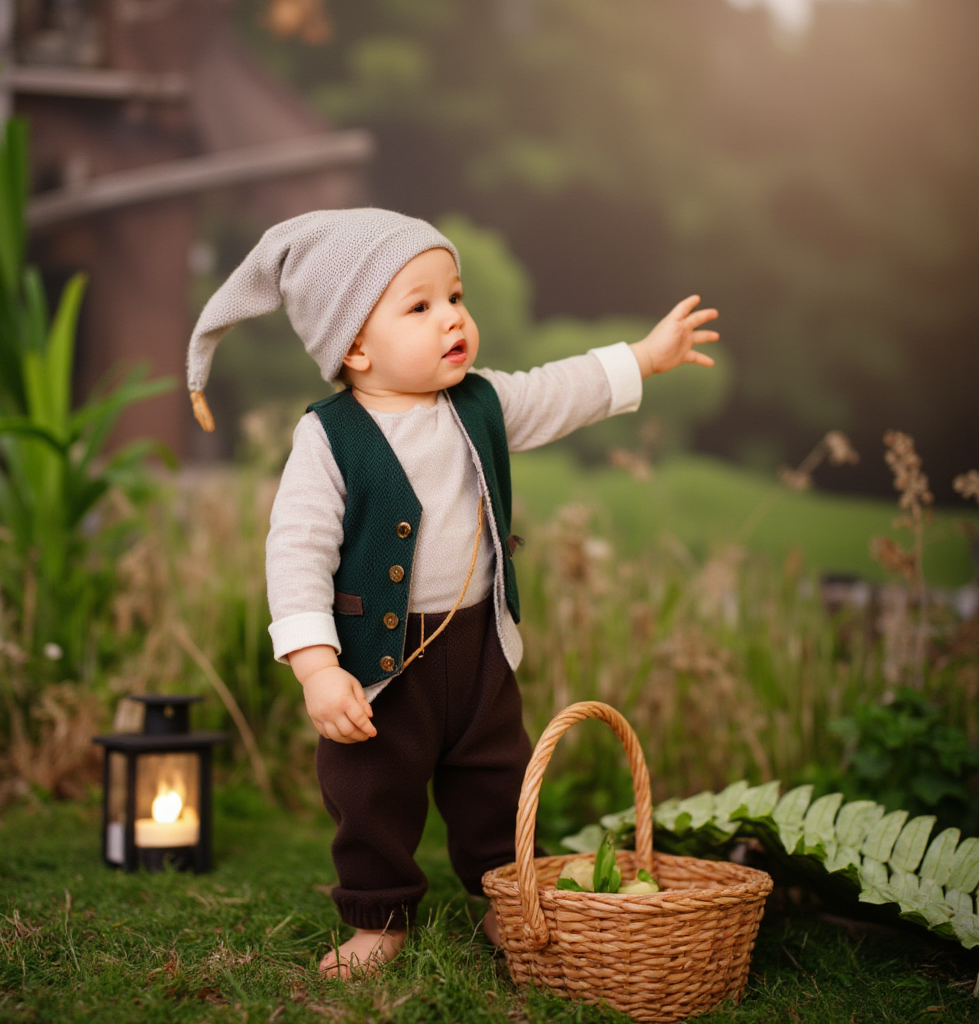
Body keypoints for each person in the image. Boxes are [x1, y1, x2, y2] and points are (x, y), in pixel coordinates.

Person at [185, 208, 718, 978]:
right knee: (370, 791)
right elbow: (295, 550)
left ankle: (506, 895)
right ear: (355, 346)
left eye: (455, 298)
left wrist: (643, 357)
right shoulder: (329, 438)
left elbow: (559, 389)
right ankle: (377, 915)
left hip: (475, 647)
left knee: (492, 779)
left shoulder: (480, 403)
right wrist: (316, 666)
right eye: (421, 305)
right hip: (380, 659)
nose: (453, 320)